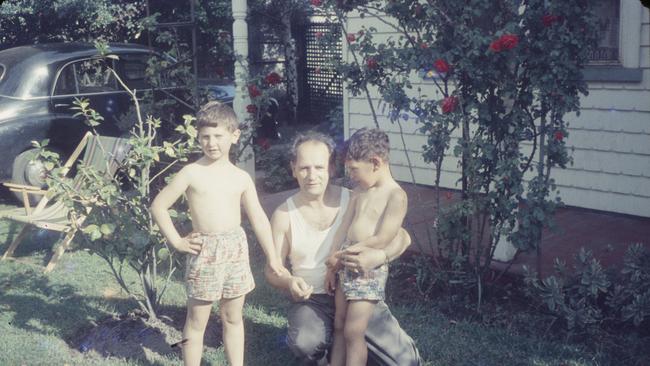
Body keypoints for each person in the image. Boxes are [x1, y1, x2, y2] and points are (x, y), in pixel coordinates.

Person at [265, 131, 421, 366]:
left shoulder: (356, 196)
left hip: (356, 289)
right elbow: (271, 269)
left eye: (319, 167)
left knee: (406, 362)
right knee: (306, 343)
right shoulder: (284, 215)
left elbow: (403, 238)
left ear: (332, 168)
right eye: (304, 168)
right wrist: (288, 282)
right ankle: (324, 351)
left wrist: (380, 255)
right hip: (313, 299)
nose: (312, 175)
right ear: (293, 168)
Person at [150, 101, 287, 366]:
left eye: (218, 136)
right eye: (205, 137)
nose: (212, 143)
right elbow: (159, 206)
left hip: (235, 249)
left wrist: (273, 257)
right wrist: (178, 241)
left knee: (233, 317)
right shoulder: (191, 172)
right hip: (205, 252)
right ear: (198, 137)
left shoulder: (241, 177)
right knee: (196, 320)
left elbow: (258, 217)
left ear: (234, 136)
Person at [324, 127, 408, 366]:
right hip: (345, 263)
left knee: (353, 331)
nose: (351, 175)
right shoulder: (359, 191)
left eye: (354, 169)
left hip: (367, 271)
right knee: (339, 324)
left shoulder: (396, 196)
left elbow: (383, 238)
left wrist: (343, 254)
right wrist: (333, 261)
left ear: (375, 162)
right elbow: (344, 226)